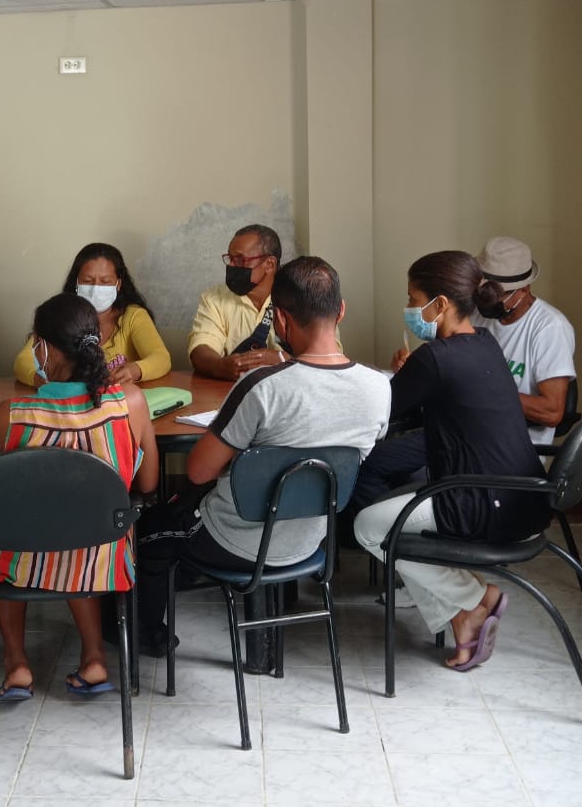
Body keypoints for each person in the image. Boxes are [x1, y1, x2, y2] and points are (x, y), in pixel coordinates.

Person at [134, 257, 391, 656]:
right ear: (341, 311)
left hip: (234, 540)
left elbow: (199, 471)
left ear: (281, 321)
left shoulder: (262, 387)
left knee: (148, 531)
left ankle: (145, 637)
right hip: (311, 541)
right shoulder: (379, 387)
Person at [354, 251, 550, 670]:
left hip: (482, 502)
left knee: (369, 526)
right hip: (526, 498)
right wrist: (414, 373)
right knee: (401, 527)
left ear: (440, 304)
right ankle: (462, 620)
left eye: (413, 299)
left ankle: (478, 598)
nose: (409, 309)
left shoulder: (435, 358)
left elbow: (380, 412)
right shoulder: (485, 343)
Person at [0, 293, 159, 700]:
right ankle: (95, 658)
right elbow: (149, 483)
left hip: (25, 558)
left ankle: (17, 665)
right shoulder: (130, 402)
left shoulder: (10, 413)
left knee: (0, 535)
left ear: (44, 348)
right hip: (102, 555)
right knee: (78, 529)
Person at [13, 242, 171, 386]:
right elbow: (23, 361)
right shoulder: (60, 315)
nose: (96, 288)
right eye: (88, 281)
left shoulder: (133, 316)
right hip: (71, 402)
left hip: (118, 402)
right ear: (76, 282)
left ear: (118, 284)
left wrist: (135, 370)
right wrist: (39, 379)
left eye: (105, 281)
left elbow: (161, 357)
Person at [472, 236, 576, 445]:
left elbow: (552, 412)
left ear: (524, 290)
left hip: (514, 446)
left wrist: (488, 392)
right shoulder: (477, 315)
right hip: (472, 435)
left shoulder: (549, 328)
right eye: (483, 293)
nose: (487, 302)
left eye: (497, 295)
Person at [188, 224, 288, 380]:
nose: (231, 265)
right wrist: (220, 366)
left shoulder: (297, 296)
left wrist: (283, 360)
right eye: (230, 258)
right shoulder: (214, 298)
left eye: (240, 260)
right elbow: (200, 348)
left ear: (270, 264)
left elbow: (322, 353)